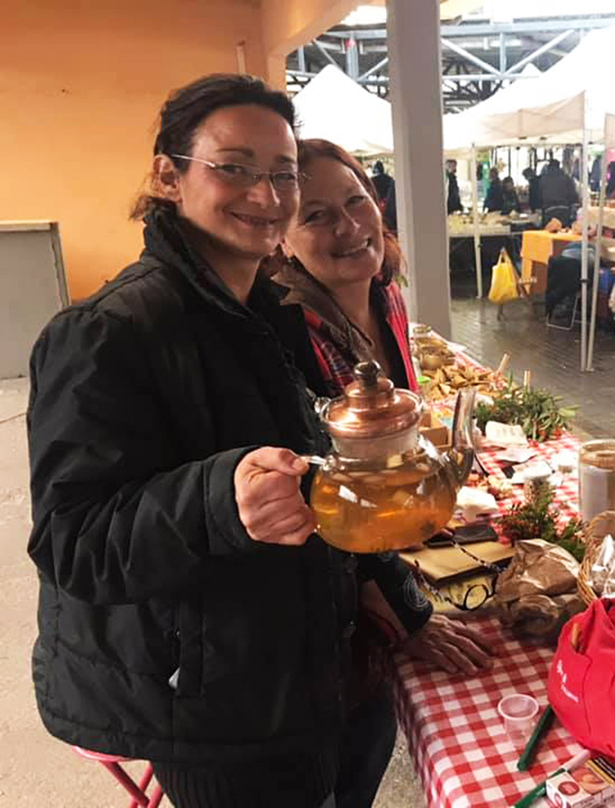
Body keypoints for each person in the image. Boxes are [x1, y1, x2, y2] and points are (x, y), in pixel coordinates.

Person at [25, 75, 492, 808]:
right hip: (217, 705)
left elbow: (332, 482)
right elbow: (70, 543)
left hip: (316, 657)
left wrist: (405, 611)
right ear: (168, 175)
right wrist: (220, 499)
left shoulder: (269, 311)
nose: (267, 195)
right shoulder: (108, 334)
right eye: (234, 167)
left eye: (283, 173)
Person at [268, 137, 494, 804]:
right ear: (280, 239)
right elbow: (322, 490)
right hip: (322, 587)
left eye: (356, 201)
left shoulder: (384, 295)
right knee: (349, 747)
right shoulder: (282, 330)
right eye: (315, 215)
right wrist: (406, 609)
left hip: (383, 554)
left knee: (368, 738)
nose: (348, 226)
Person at [539, 159, 578, 227]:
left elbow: (539, 196)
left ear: (549, 167)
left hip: (548, 210)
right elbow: (573, 195)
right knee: (564, 231)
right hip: (564, 209)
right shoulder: (566, 178)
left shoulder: (543, 179)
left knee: (549, 231)